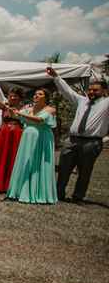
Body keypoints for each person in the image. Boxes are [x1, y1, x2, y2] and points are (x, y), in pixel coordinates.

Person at [47, 67, 109, 203]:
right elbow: (67, 91)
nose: (91, 92)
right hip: (72, 140)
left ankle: (78, 196)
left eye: (95, 90)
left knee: (85, 170)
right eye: (90, 90)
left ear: (104, 91)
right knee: (64, 168)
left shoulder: (106, 103)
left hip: (91, 142)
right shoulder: (82, 101)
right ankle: (58, 194)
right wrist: (56, 76)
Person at [5, 88, 58, 204]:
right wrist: (13, 112)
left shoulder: (50, 110)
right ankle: (19, 191)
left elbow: (40, 119)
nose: (36, 96)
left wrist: (19, 113)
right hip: (27, 137)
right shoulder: (28, 109)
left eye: (40, 94)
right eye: (35, 94)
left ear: (46, 97)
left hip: (41, 138)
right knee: (25, 162)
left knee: (38, 163)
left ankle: (38, 192)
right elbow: (16, 116)